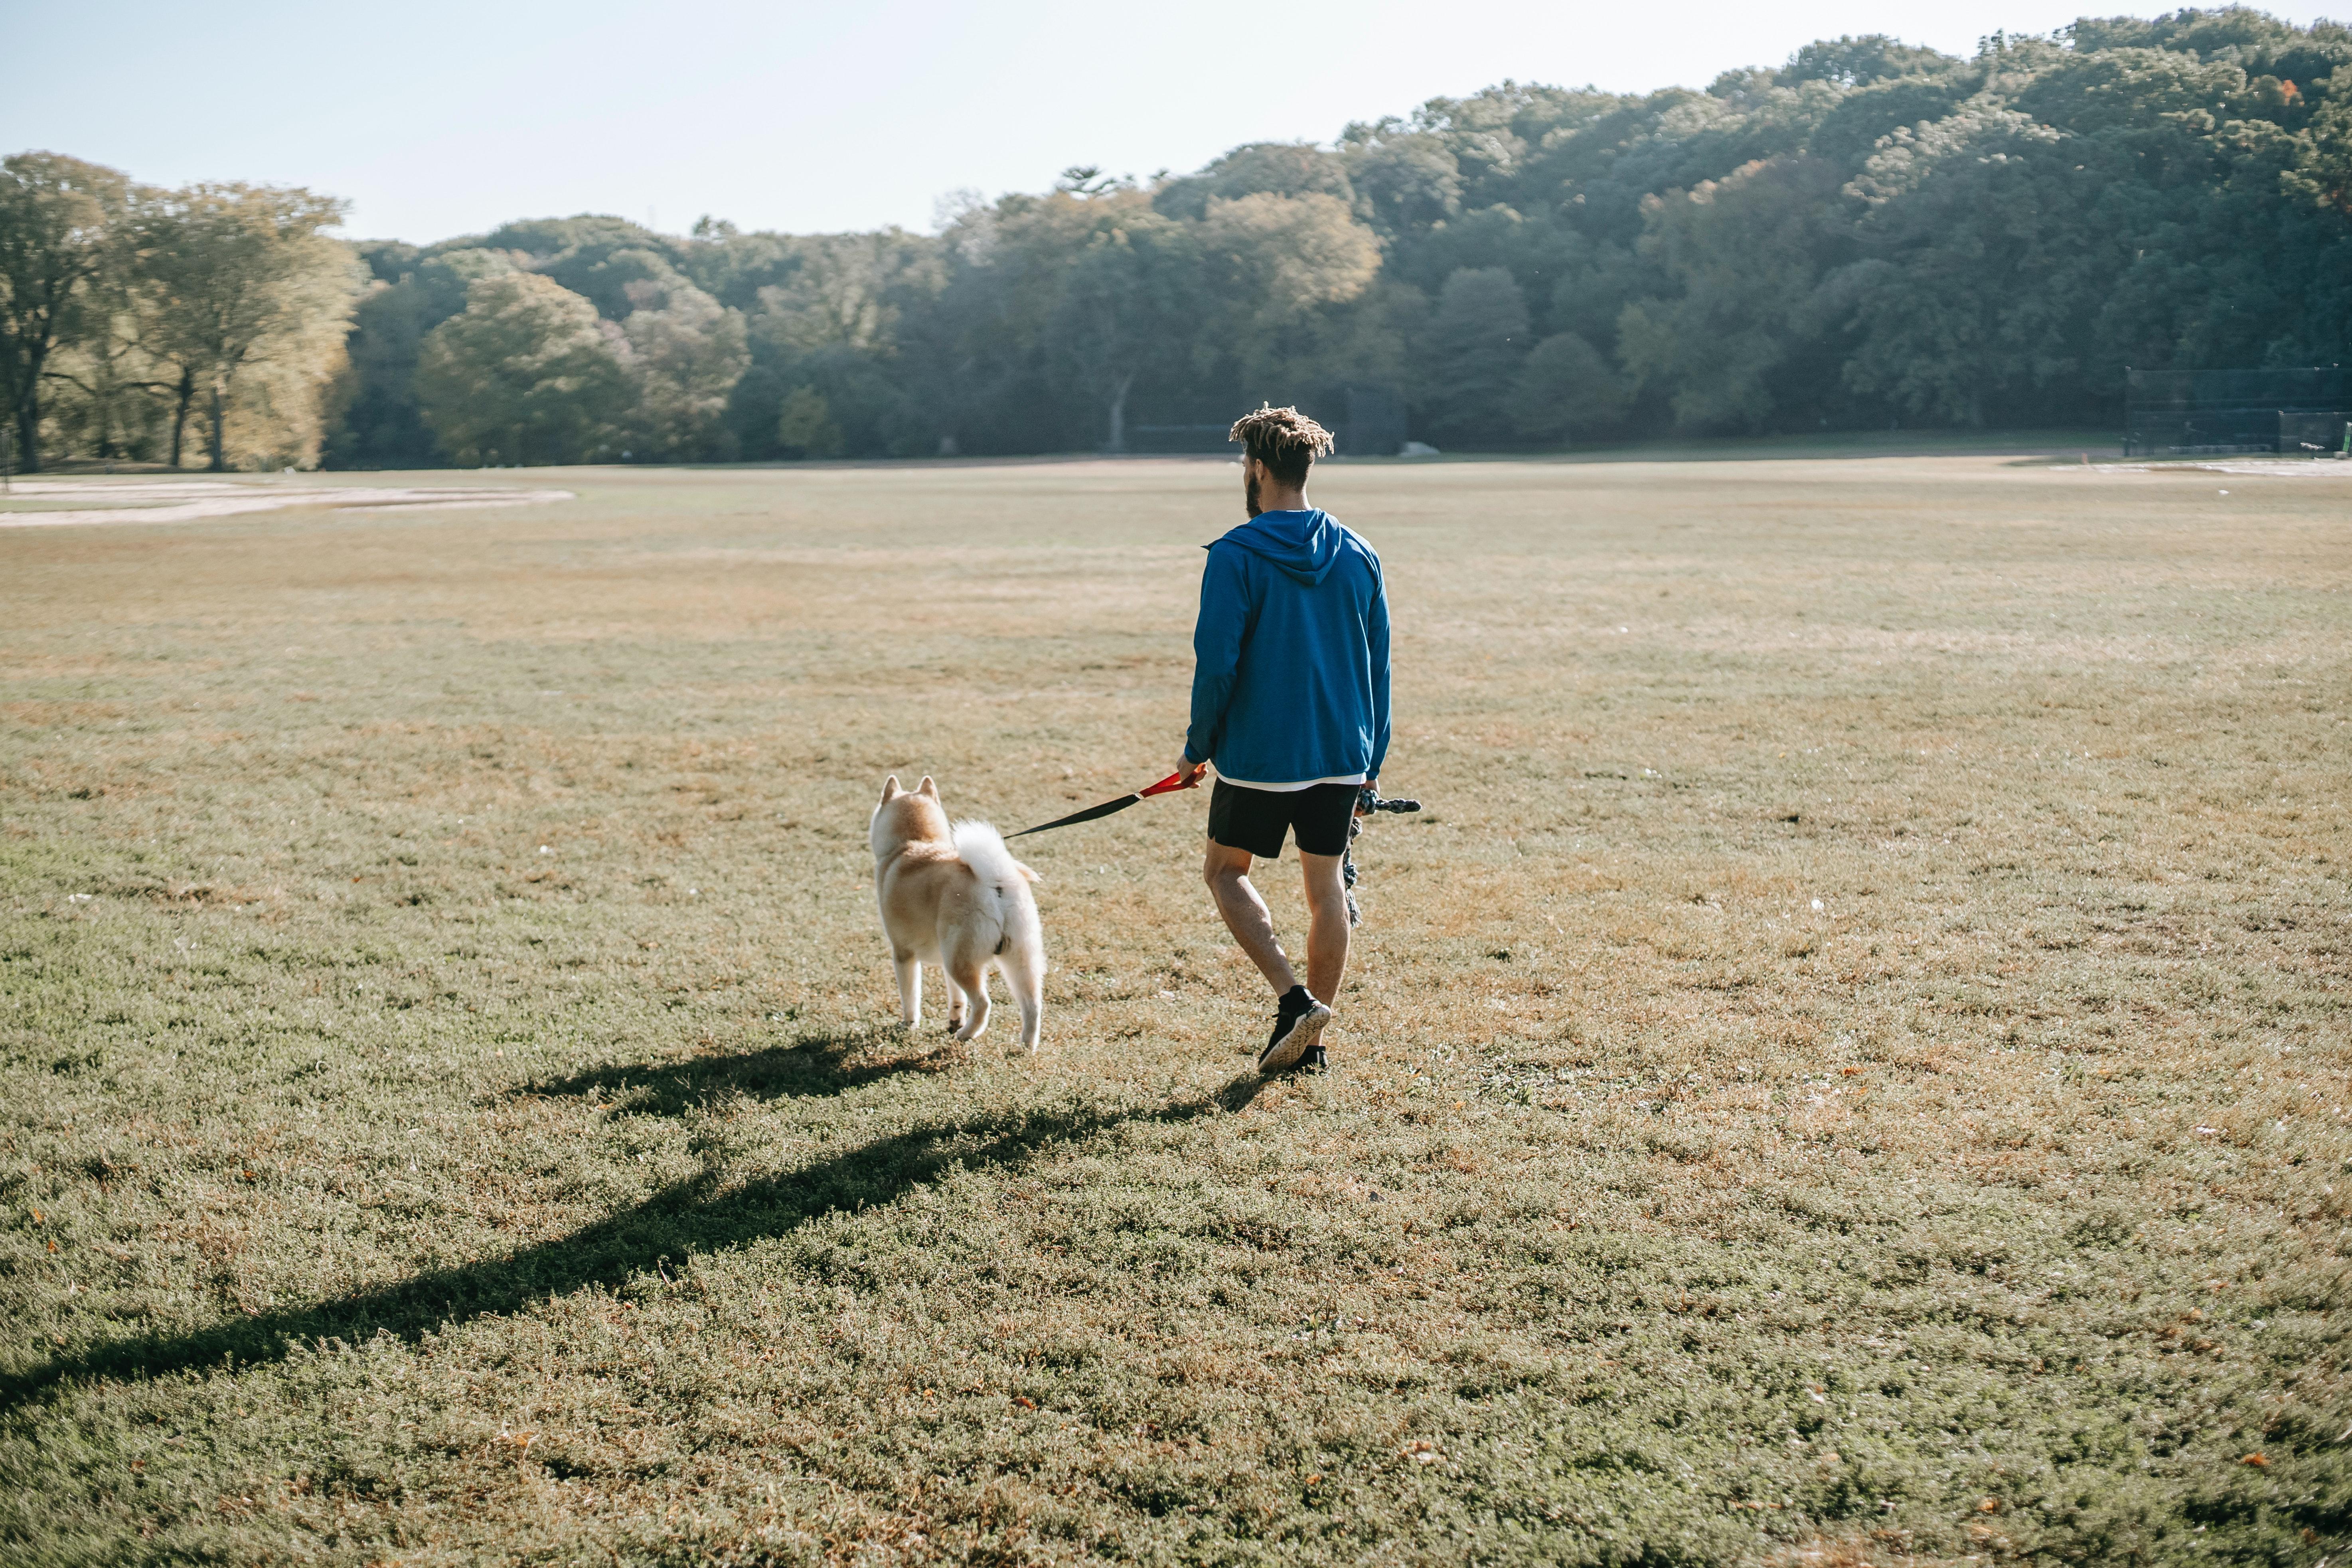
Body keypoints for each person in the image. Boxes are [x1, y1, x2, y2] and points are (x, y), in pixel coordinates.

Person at [1175, 405, 1391, 1075]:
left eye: (1246, 464)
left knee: (1224, 872)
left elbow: (1217, 665)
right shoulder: (1360, 553)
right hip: (1339, 754)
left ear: (1260, 468)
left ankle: (1294, 1001)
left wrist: (1195, 750)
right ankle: (1312, 1047)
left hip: (1261, 758)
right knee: (1326, 890)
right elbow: (1378, 669)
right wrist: (1370, 766)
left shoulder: (1235, 554)